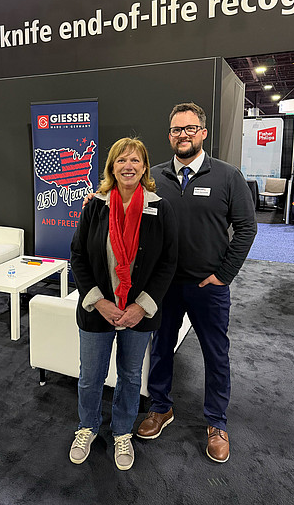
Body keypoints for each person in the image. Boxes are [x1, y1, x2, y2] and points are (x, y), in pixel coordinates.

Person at [136, 102, 257, 464]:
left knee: (216, 353)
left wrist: (224, 275)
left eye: (190, 128)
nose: (183, 135)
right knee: (161, 347)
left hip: (209, 287)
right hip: (164, 286)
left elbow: (246, 228)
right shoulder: (153, 177)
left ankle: (217, 422)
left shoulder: (227, 176)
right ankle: (160, 407)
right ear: (169, 135)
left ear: (203, 133)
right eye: (177, 129)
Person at [69, 137, 178, 471]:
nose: (128, 166)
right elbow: (78, 256)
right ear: (111, 167)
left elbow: (168, 262)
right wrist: (99, 302)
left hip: (137, 314)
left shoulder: (160, 208)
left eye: (135, 160)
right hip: (98, 310)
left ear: (144, 168)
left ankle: (122, 432)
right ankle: (87, 427)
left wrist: (141, 307)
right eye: (121, 160)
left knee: (130, 377)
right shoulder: (95, 206)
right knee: (91, 377)